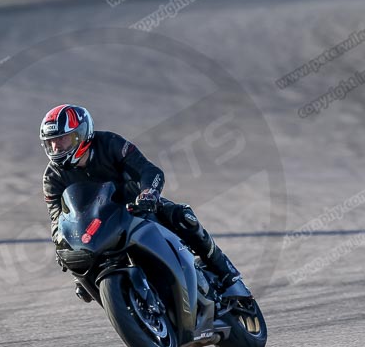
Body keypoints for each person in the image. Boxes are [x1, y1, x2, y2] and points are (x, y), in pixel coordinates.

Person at [40, 104, 242, 303]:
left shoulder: (110, 143)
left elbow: (148, 170)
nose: (57, 147)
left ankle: (226, 274)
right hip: (95, 229)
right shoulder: (52, 176)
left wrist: (148, 194)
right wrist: (61, 241)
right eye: (52, 142)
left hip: (135, 208)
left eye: (63, 139)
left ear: (82, 135)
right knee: (80, 277)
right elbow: (57, 217)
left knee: (182, 217)